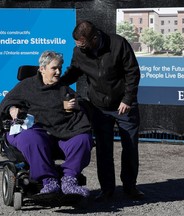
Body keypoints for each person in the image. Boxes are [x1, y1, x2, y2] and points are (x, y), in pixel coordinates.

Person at [60, 20, 144, 200]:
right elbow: (74, 72)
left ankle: (130, 187)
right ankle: (107, 190)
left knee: (130, 147)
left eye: (83, 45)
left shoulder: (118, 43)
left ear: (95, 38)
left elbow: (133, 72)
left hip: (124, 106)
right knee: (104, 150)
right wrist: (55, 83)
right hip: (99, 107)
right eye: (77, 45)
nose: (80, 48)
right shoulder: (79, 52)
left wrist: (128, 99)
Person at [0, 50, 94, 197]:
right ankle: (49, 181)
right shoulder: (27, 86)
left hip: (60, 132)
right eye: (54, 68)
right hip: (36, 130)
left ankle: (69, 180)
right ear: (42, 69)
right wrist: (12, 109)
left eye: (60, 68)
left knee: (83, 139)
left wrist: (76, 105)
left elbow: (80, 102)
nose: (58, 72)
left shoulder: (63, 88)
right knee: (31, 138)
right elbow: (7, 103)